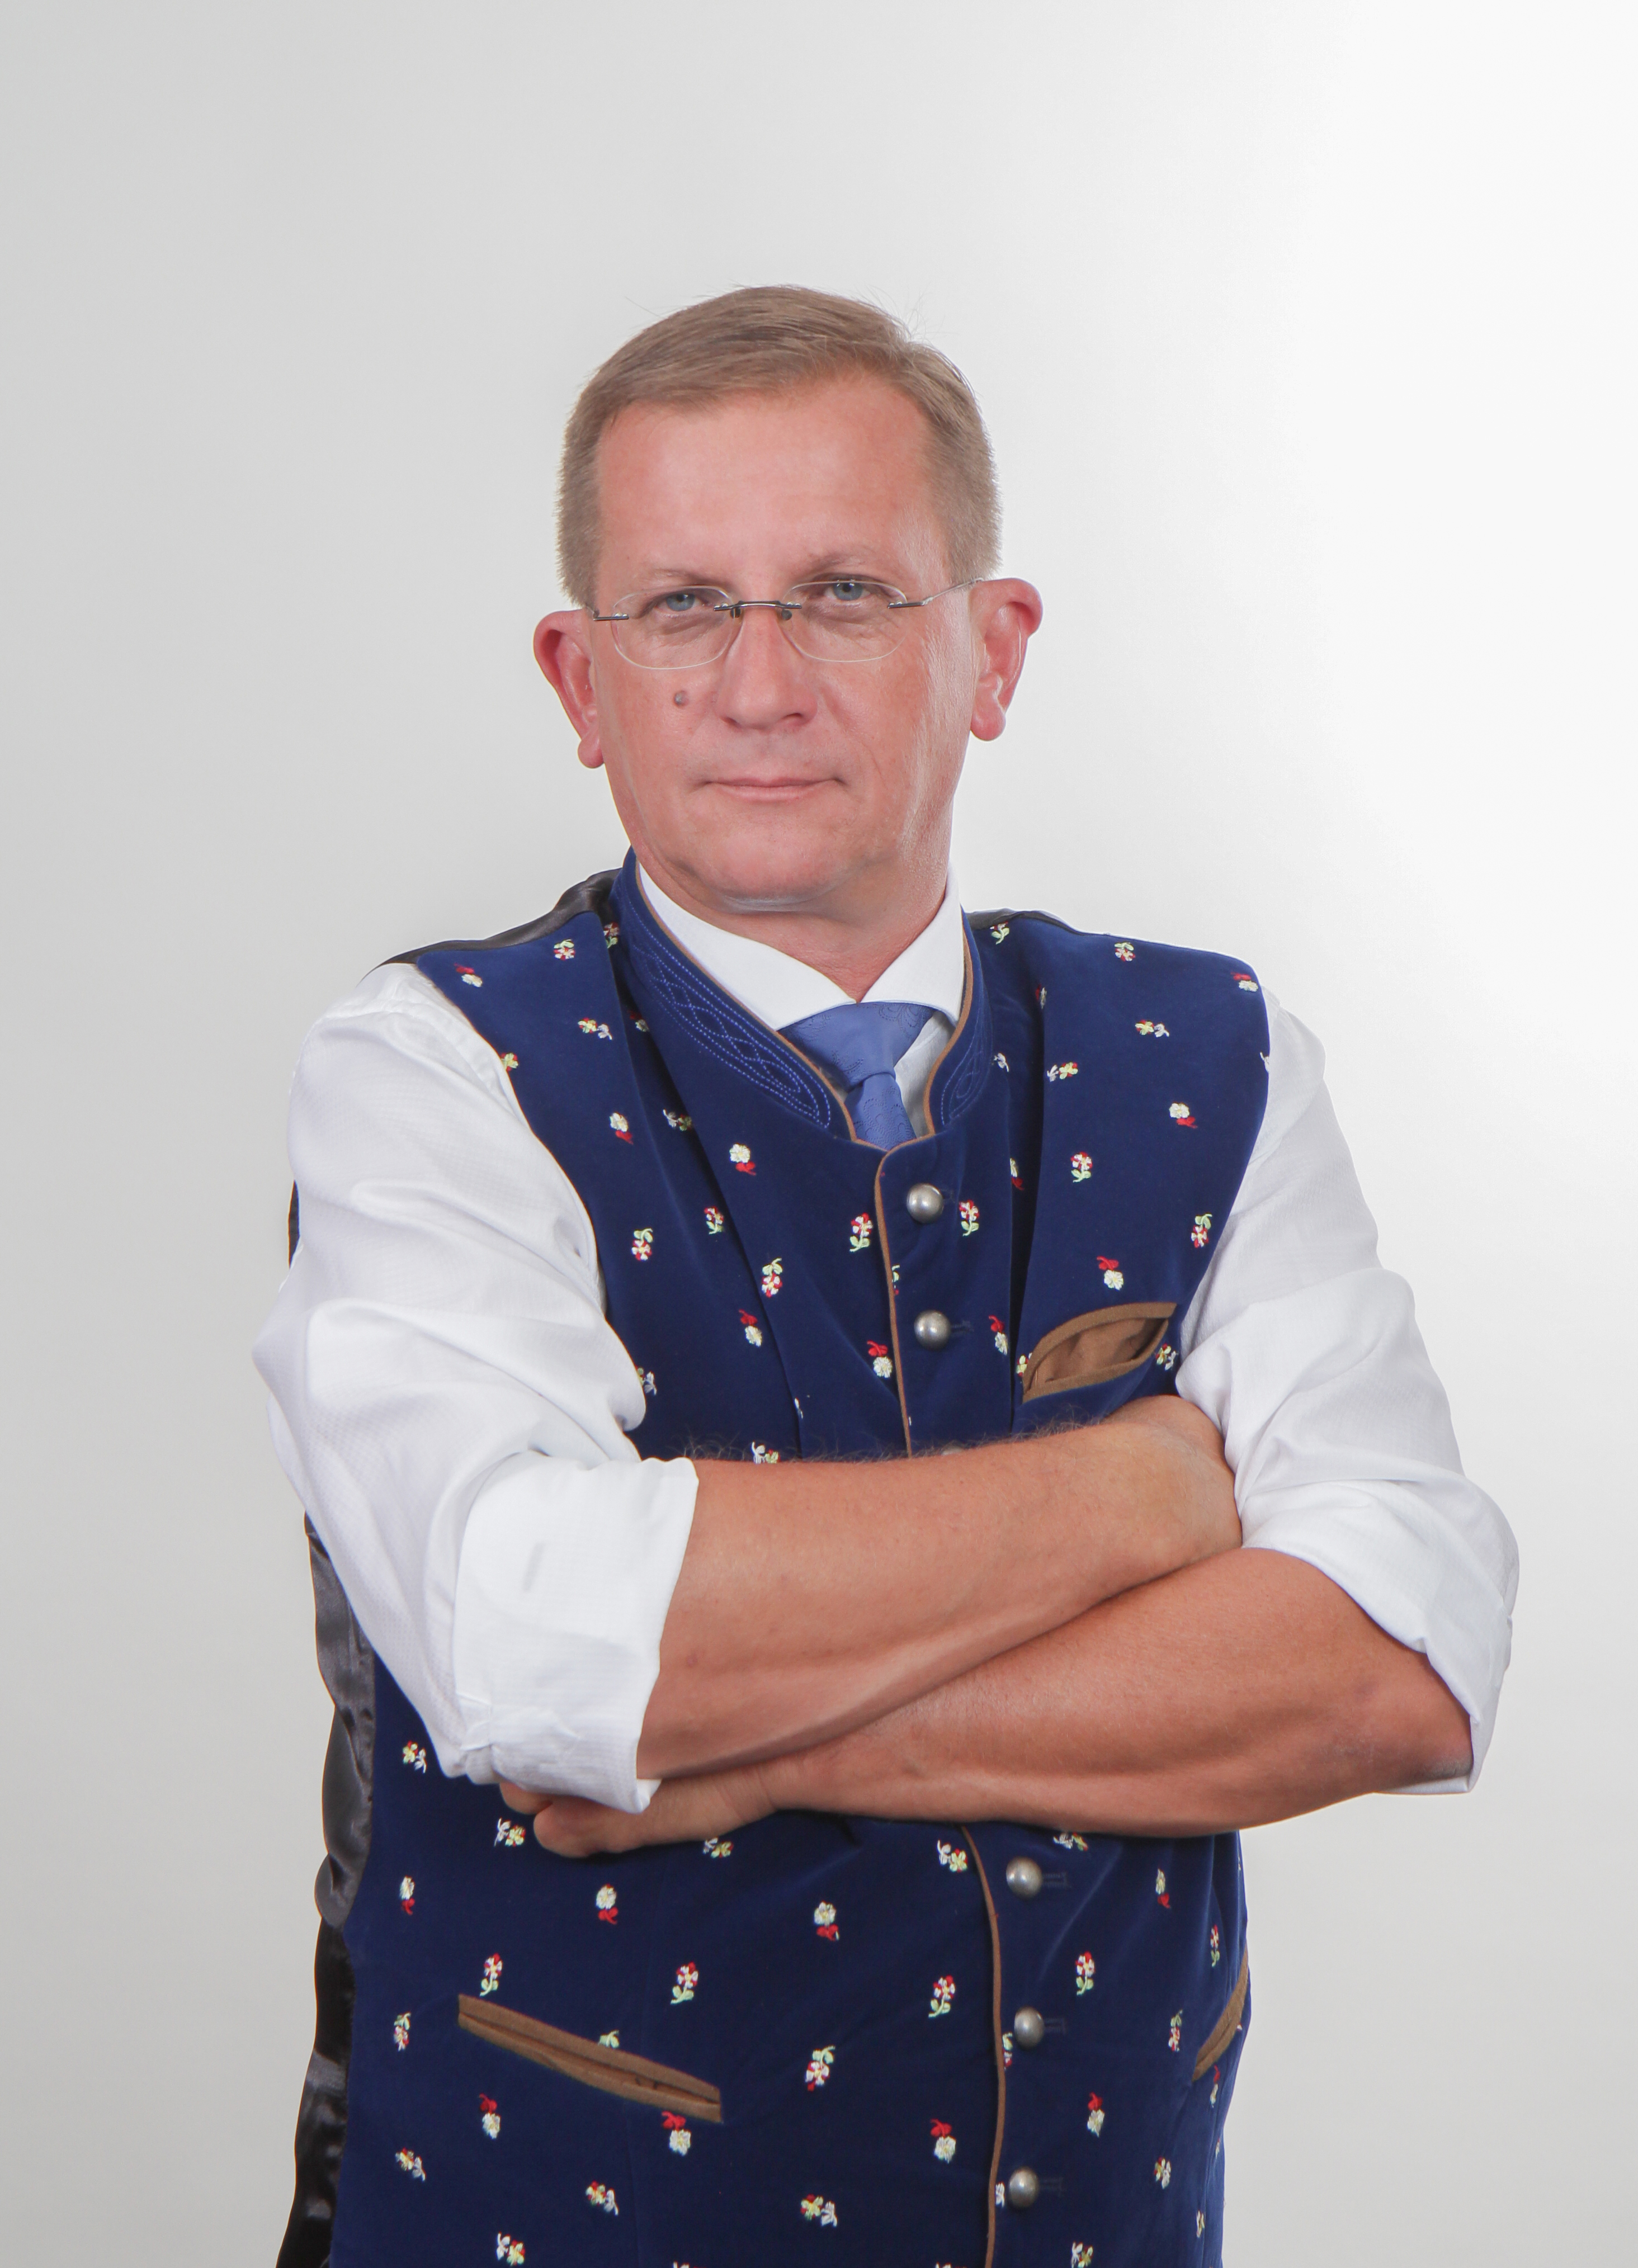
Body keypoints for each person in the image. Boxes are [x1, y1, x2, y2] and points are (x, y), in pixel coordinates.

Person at [254, 286, 1516, 2268]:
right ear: (580, 680)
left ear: (990, 650)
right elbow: (541, 1646)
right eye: (684, 607)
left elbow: (1400, 1661)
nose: (759, 683)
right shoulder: (433, 1071)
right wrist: (1143, 1494)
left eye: (843, 594)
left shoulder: (1211, 1056)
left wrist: (752, 1740)